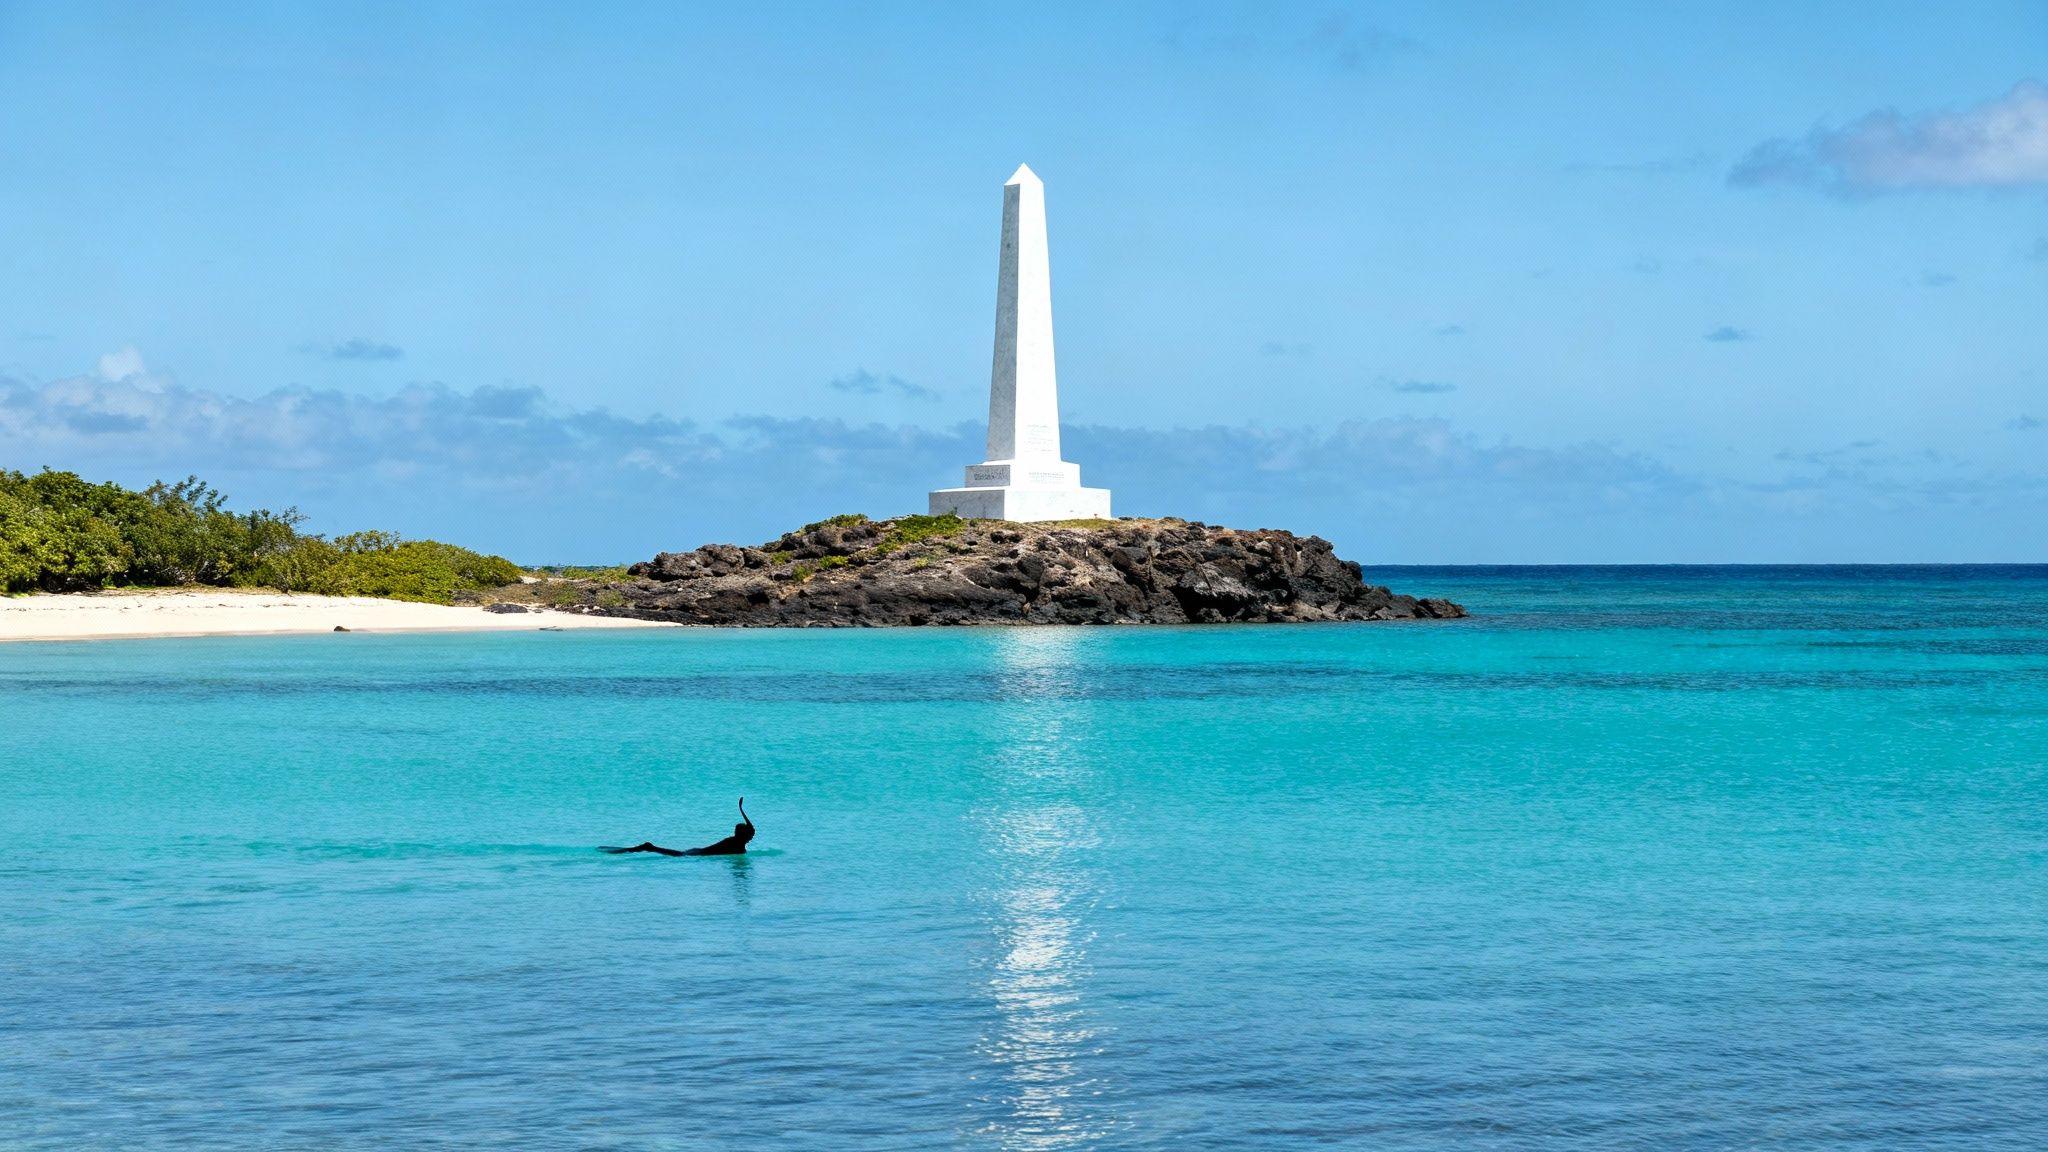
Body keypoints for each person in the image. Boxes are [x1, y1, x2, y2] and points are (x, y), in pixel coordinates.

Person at [601, 798, 754, 857]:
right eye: (749, 834)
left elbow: (751, 830)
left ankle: (646, 847)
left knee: (674, 853)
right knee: (670, 853)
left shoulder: (735, 842)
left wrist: (742, 813)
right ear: (742, 835)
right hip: (696, 855)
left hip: (697, 852)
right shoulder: (735, 844)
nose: (752, 836)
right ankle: (648, 847)